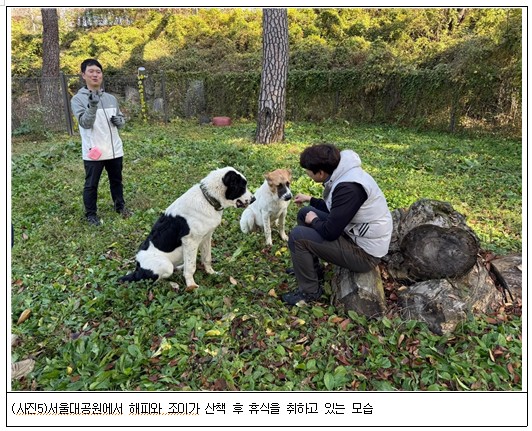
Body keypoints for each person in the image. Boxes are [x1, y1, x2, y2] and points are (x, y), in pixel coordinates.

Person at [282, 144, 393, 306]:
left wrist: (314, 220)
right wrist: (310, 200)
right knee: (304, 213)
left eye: (308, 171)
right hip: (356, 235)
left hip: (366, 254)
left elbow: (330, 232)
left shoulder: (349, 188)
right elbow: (338, 209)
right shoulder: (343, 172)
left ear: (320, 172)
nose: (307, 174)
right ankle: (311, 270)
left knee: (298, 236)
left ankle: (310, 292)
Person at [71, 58, 130, 226]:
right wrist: (92, 105)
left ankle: (120, 207)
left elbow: (120, 118)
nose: (95, 75)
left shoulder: (111, 98)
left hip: (114, 149)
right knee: (91, 185)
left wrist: (121, 121)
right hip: (93, 151)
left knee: (117, 181)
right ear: (84, 75)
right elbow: (85, 123)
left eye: (98, 72)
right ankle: (91, 215)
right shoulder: (78, 100)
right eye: (91, 72)